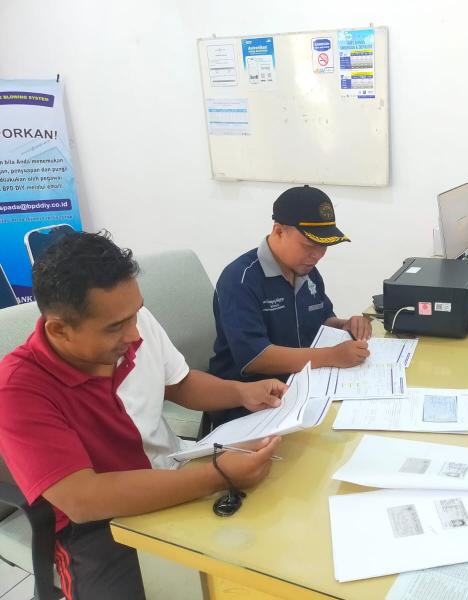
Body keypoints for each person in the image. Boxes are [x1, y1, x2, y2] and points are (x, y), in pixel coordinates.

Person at [0, 232, 287, 600]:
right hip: (99, 525)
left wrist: (242, 392)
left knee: (268, 554)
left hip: (175, 470)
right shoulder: (19, 388)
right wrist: (218, 475)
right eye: (115, 327)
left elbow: (180, 384)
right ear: (59, 330)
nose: (134, 333)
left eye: (135, 313)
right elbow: (83, 499)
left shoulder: (130, 320)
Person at [208, 185, 372, 426]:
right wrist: (333, 356)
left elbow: (320, 319)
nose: (317, 255)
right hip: (252, 404)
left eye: (323, 246)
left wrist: (345, 325)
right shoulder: (240, 280)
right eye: (309, 245)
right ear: (279, 231)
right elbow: (255, 357)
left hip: (301, 387)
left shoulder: (306, 270)